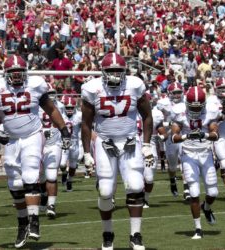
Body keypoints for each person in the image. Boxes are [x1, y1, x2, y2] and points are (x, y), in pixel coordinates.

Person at [0, 55, 71, 249]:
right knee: (14, 183)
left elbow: (51, 109)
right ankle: (23, 223)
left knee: (31, 175)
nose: (17, 77)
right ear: (5, 74)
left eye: (20, 73)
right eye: (13, 73)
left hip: (32, 135)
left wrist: (64, 130)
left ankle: (34, 220)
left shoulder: (35, 85)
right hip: (12, 139)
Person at [81, 52, 153, 250]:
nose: (114, 75)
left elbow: (147, 116)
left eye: (118, 71)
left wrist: (146, 145)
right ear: (103, 72)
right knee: (105, 191)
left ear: (124, 72)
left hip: (130, 141)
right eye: (110, 71)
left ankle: (135, 235)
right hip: (105, 143)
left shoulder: (135, 85)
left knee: (137, 186)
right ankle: (107, 233)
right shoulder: (92, 89)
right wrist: (87, 153)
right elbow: (86, 124)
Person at [171, 86, 220, 239]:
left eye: (198, 107)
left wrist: (204, 134)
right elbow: (174, 137)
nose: (195, 110)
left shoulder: (211, 111)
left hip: (205, 154)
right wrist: (187, 137)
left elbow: (215, 134)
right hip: (188, 155)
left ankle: (206, 207)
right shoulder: (179, 111)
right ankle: (198, 228)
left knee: (213, 192)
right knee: (194, 192)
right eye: (192, 107)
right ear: (187, 104)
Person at [38, 85, 66, 219]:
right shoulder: (35, 106)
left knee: (52, 175)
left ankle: (51, 205)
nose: (51, 96)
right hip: (38, 145)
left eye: (52, 93)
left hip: (55, 144)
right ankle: (43, 194)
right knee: (40, 176)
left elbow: (66, 123)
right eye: (48, 93)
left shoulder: (60, 106)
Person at [60, 96, 82, 192]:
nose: (69, 109)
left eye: (71, 107)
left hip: (75, 142)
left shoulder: (79, 115)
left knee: (73, 165)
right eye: (67, 107)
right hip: (65, 141)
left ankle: (70, 181)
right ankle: (64, 173)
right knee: (62, 164)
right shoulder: (60, 115)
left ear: (74, 107)